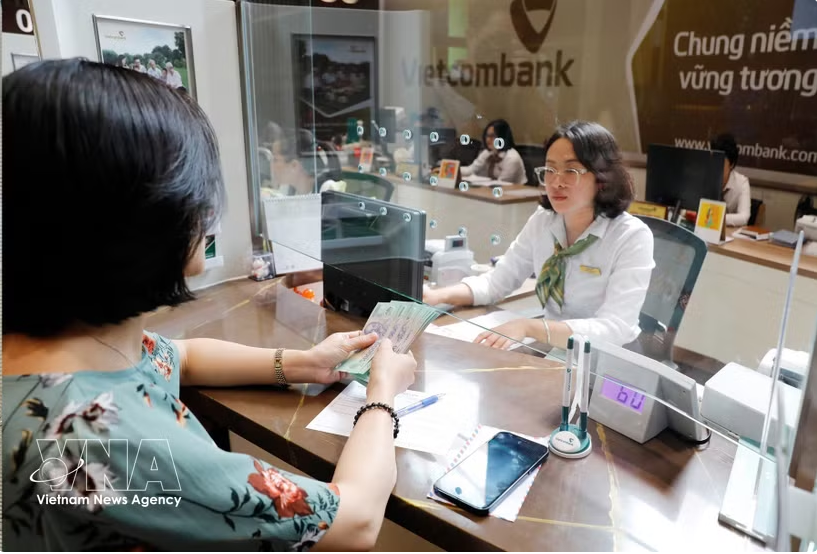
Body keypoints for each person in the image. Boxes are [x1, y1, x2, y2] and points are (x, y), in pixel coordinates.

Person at [3, 59, 416, 551]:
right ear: (143, 216)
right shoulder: (107, 440)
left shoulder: (67, 347)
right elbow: (355, 520)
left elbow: (180, 357)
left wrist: (307, 363)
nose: (210, 212)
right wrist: (382, 393)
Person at [424, 121, 655, 349]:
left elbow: (615, 328)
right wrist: (437, 296)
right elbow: (497, 282)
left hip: (605, 359)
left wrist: (531, 328)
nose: (556, 182)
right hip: (553, 349)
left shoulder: (631, 236)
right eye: (550, 170)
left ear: (602, 178)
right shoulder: (544, 221)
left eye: (571, 171)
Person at [265, 124, 343, 197]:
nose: (271, 165)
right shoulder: (287, 189)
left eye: (275, 160)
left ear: (294, 165)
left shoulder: (326, 190)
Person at [459, 118, 526, 183]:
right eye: (487, 136)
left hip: (516, 189)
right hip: (494, 188)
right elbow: (471, 170)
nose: (488, 139)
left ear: (502, 137)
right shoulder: (488, 152)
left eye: (492, 136)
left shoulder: (512, 158)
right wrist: (455, 168)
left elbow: (502, 183)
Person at [710, 133, 751, 227]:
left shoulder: (742, 183)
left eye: (720, 162)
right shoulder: (706, 176)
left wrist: (716, 218)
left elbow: (744, 217)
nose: (715, 166)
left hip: (729, 233)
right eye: (713, 160)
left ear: (731, 164)